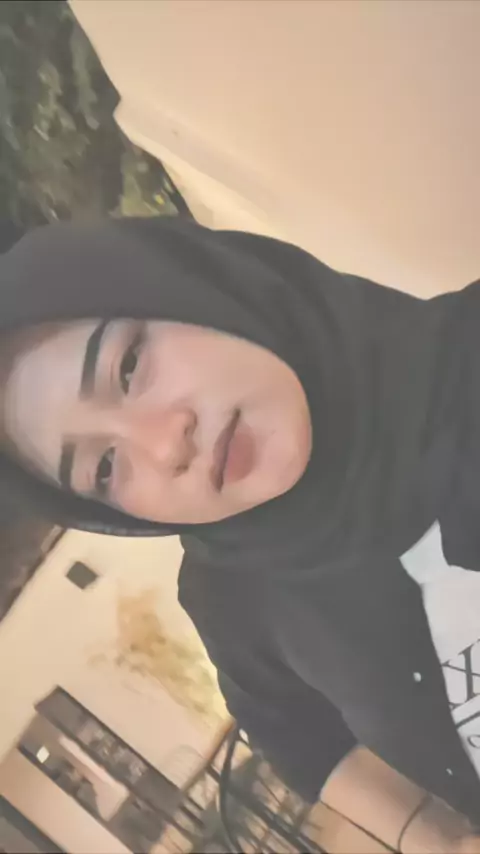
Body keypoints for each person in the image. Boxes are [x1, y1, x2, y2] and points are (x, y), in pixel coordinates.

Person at [1, 216, 480, 853]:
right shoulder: (231, 595)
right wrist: (435, 840)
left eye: (129, 366)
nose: (165, 444)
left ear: (196, 284)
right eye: (105, 468)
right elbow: (303, 741)